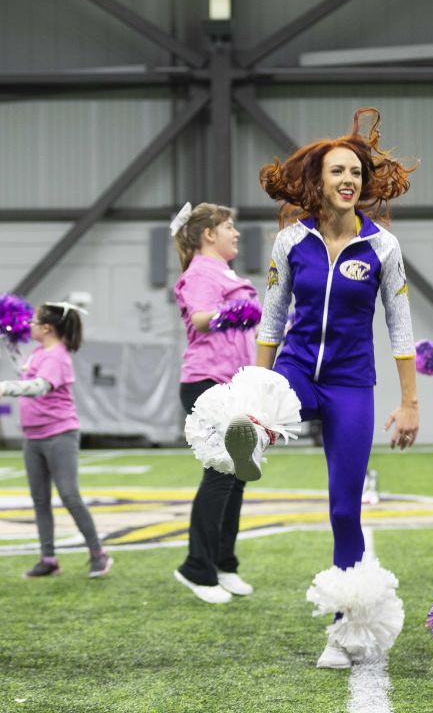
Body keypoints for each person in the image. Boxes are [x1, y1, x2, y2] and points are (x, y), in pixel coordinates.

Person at [250, 107, 417, 669]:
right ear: (317, 182)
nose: (348, 180)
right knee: (253, 411)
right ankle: (245, 432)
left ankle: (343, 628)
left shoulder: (383, 249)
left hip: (350, 384)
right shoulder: (290, 242)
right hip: (296, 369)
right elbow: (272, 320)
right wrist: (259, 385)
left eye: (355, 172)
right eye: (337, 172)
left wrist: (410, 401)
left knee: (344, 511)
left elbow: (400, 327)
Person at [166, 202, 260, 604]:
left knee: (239, 475)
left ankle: (224, 563)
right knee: (221, 474)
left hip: (235, 383)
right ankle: (196, 567)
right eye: (228, 226)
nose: (236, 233)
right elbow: (203, 318)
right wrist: (232, 312)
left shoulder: (224, 271)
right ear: (209, 234)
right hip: (207, 383)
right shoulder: (200, 272)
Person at [0, 301, 112, 579]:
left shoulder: (57, 356)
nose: (28, 326)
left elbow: (39, 387)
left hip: (59, 435)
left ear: (47, 328)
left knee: (69, 495)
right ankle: (48, 558)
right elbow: (25, 371)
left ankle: (98, 554)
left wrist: (3, 387)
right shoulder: (40, 353)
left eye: (33, 322)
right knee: (40, 499)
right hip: (33, 437)